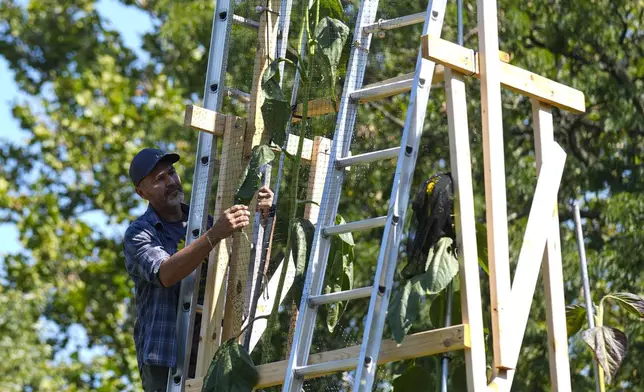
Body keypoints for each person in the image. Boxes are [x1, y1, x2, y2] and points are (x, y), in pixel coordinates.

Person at [123, 148, 273, 391]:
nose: (171, 181)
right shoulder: (140, 233)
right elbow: (165, 274)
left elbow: (249, 271)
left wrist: (264, 218)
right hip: (167, 357)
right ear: (142, 192)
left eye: (171, 173)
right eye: (159, 179)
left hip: (213, 345)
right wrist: (215, 235)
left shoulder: (206, 222)